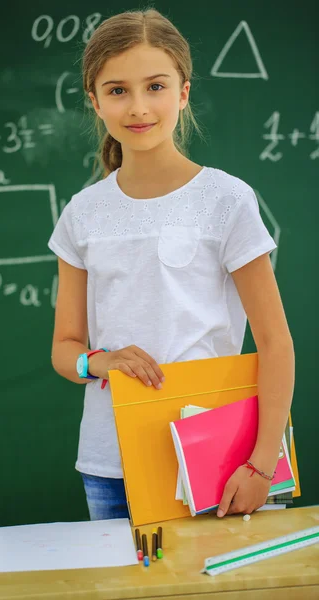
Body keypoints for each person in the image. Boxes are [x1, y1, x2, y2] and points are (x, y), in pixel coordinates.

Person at [48, 9, 295, 521]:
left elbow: (276, 343)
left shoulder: (226, 199)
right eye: (117, 91)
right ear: (94, 101)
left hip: (218, 459)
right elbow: (64, 350)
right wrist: (101, 362)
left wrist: (262, 463)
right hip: (110, 461)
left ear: (183, 92)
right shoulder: (82, 212)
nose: (138, 107)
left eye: (155, 86)